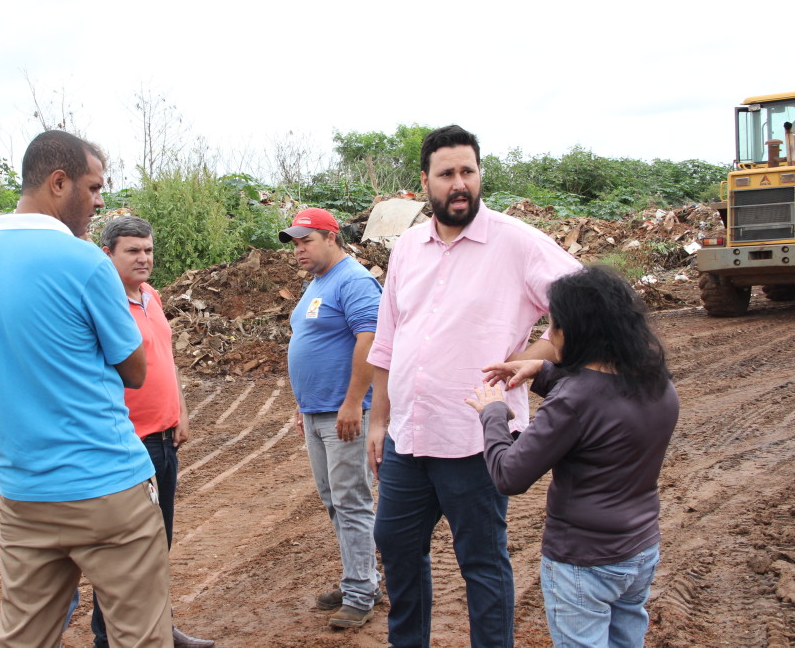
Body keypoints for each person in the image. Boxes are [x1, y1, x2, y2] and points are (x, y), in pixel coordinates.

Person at [365, 124, 581, 647]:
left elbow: (584, 309)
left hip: (477, 440)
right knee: (395, 545)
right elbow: (389, 336)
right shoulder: (408, 248)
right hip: (409, 439)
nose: (459, 183)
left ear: (480, 175)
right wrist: (378, 419)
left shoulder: (519, 243)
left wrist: (530, 360)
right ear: (425, 183)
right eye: (446, 174)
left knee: (482, 562)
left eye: (468, 171)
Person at [0, 130, 172, 647]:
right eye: (93, 187)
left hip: (24, 493)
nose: (99, 201)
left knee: (24, 636)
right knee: (140, 635)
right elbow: (135, 369)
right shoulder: (86, 262)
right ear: (59, 182)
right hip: (105, 486)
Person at [466, 265, 678, 648]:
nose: (551, 335)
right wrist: (543, 371)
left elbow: (509, 475)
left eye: (554, 326)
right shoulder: (656, 381)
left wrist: (493, 412)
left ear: (575, 330)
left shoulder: (574, 400)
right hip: (640, 548)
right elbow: (600, 401)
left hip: (584, 560)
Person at [86, 215, 215, 648]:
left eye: (148, 250)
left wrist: (181, 409)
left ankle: (160, 629)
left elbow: (166, 357)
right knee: (121, 554)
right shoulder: (103, 305)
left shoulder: (150, 296)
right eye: (133, 251)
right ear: (108, 255)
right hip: (126, 445)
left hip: (163, 440)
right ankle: (108, 638)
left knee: (158, 544)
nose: (144, 258)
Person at [280, 208, 384, 629]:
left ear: (331, 237)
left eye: (306, 241)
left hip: (347, 414)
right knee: (333, 501)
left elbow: (372, 338)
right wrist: (303, 404)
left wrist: (351, 402)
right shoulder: (318, 284)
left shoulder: (354, 280)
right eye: (295, 243)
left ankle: (361, 594)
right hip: (317, 411)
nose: (299, 250)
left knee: (352, 501)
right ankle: (361, 578)